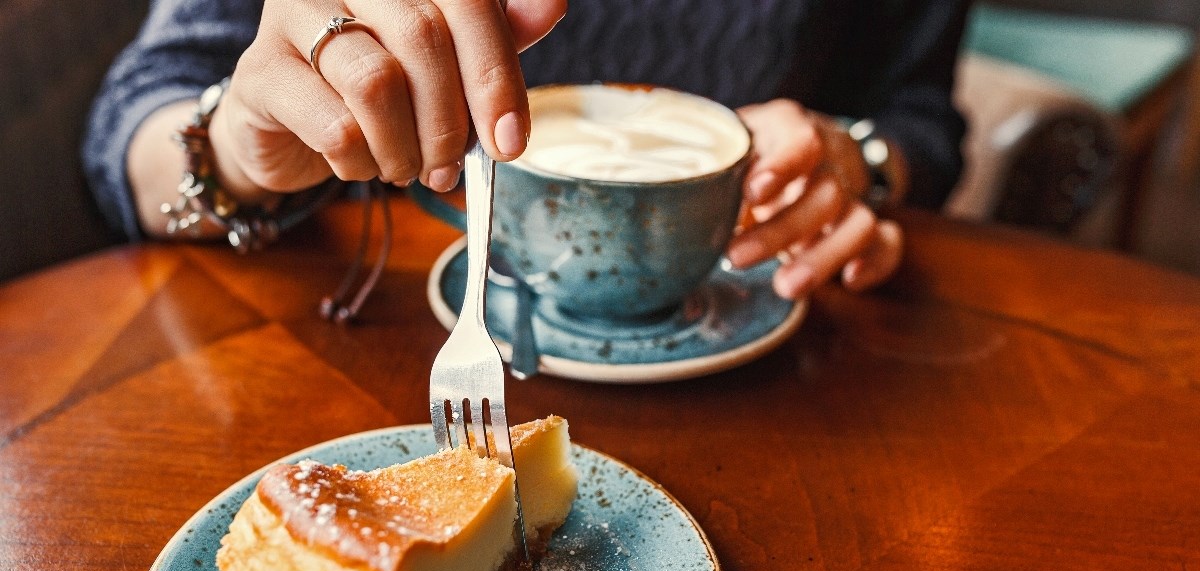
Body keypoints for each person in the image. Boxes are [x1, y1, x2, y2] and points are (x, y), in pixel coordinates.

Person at [84, 0, 967, 300]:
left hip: (755, 322)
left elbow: (919, 113)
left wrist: (858, 162)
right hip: (363, 339)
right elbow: (132, 126)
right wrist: (239, 145)